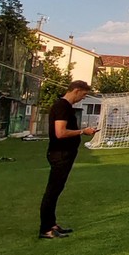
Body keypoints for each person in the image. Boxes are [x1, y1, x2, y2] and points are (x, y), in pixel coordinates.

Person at [39, 81, 98, 239]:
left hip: (65, 153)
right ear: (76, 90)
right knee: (52, 191)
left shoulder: (65, 107)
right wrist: (82, 131)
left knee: (57, 190)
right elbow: (60, 132)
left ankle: (52, 224)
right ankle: (45, 229)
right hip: (60, 154)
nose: (82, 98)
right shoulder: (62, 106)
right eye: (83, 95)